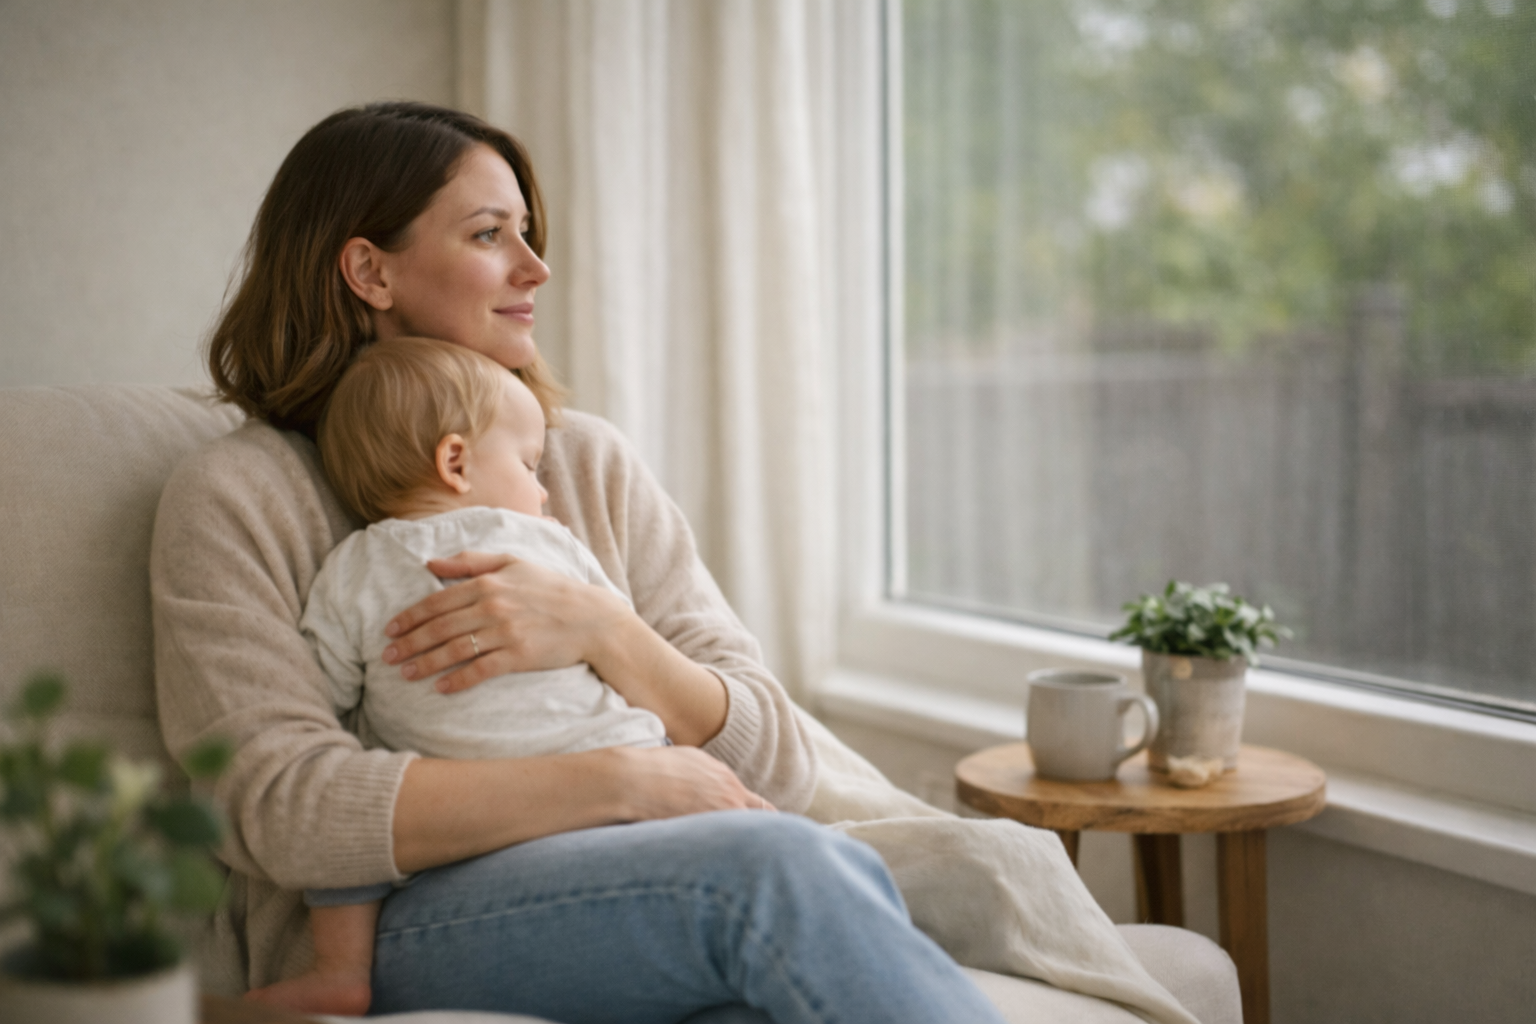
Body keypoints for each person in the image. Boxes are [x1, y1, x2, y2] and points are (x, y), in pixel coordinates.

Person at [151, 101, 1009, 1023]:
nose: (537, 268)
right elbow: (283, 802)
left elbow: (778, 756)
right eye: (491, 234)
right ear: (369, 269)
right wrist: (621, 782)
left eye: (529, 233)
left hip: (638, 877)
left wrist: (603, 628)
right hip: (407, 920)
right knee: (780, 874)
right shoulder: (239, 496)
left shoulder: (582, 462)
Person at [250, 337, 685, 1015]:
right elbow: (622, 642)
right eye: (530, 465)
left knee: (349, 824)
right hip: (611, 770)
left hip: (457, 838)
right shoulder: (549, 544)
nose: (543, 491)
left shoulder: (348, 570)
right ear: (455, 461)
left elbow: (320, 705)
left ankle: (340, 967)